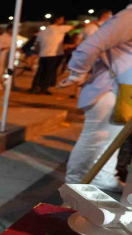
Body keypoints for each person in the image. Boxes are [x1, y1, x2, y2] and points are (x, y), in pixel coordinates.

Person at [61, 2, 132, 191]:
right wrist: (77, 73)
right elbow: (89, 46)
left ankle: (103, 177)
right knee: (95, 139)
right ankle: (74, 184)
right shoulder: (129, 17)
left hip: (120, 92)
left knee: (109, 140)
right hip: (109, 89)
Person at [29, 15, 74, 95]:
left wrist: (38, 53)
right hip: (54, 54)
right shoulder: (59, 29)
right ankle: (43, 89)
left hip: (43, 54)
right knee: (49, 72)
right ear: (58, 20)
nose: (63, 22)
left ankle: (34, 87)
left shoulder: (44, 30)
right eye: (62, 20)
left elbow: (37, 44)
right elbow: (75, 27)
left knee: (40, 72)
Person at [0, 25, 13, 90]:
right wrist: (9, 47)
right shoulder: (2, 37)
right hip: (3, 56)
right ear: (9, 29)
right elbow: (0, 48)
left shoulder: (12, 37)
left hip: (10, 56)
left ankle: (6, 83)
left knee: (9, 70)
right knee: (1, 70)